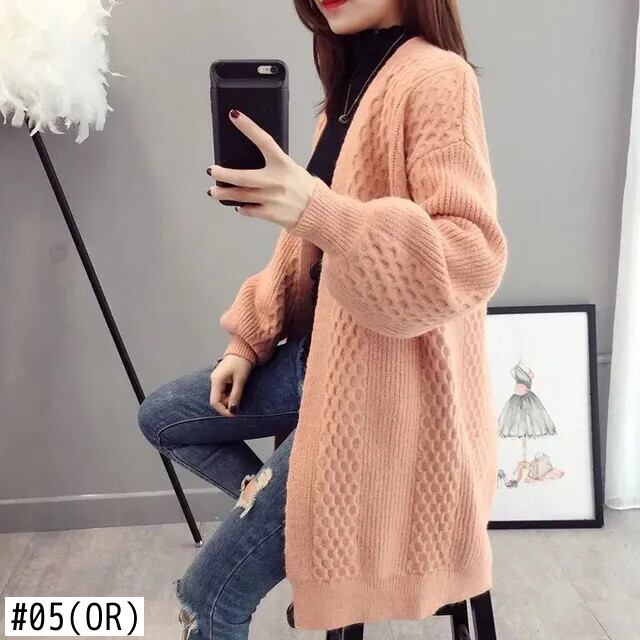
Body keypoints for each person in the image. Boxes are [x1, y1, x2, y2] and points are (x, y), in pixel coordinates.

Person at [137, 1, 508, 638]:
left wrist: (321, 209)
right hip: (318, 359)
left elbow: (469, 255)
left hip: (379, 386)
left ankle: (306, 533)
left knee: (208, 598)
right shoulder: (345, 94)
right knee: (165, 416)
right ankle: (306, 532)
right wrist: (247, 340)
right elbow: (302, 245)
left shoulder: (438, 78)